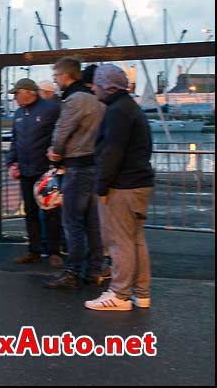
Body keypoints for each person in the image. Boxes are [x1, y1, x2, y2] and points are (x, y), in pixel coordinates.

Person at [84, 64, 154, 311]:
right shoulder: (132, 108)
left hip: (122, 186)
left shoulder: (117, 112)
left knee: (119, 240)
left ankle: (119, 294)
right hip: (140, 183)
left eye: (96, 84)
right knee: (135, 239)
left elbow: (112, 152)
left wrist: (102, 187)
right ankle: (141, 293)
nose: (93, 88)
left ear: (107, 86)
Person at [45, 57, 106, 289]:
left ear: (65, 76)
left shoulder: (74, 100)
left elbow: (62, 132)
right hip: (94, 165)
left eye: (56, 77)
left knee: (72, 221)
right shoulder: (97, 100)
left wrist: (55, 152)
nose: (56, 81)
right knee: (92, 222)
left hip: (77, 166)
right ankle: (95, 269)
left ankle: (72, 272)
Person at [5, 78, 63, 268]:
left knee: (51, 212)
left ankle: (54, 252)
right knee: (30, 212)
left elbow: (61, 134)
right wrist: (11, 162)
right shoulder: (19, 113)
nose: (15, 97)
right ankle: (34, 250)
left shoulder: (50, 109)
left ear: (28, 92)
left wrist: (58, 158)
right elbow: (15, 140)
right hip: (25, 171)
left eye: (16, 93)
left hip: (46, 172)